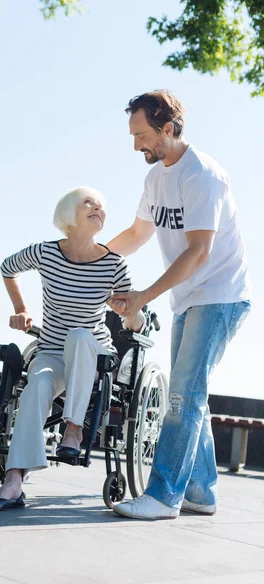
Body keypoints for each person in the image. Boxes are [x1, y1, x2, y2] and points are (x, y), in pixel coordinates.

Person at [107, 90, 251, 520]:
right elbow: (137, 233)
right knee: (189, 396)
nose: (136, 145)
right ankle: (201, 492)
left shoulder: (202, 175)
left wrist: (143, 296)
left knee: (183, 397)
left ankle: (163, 495)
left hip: (220, 296)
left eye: (142, 135)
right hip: (188, 297)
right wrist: (94, 257)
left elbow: (198, 252)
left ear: (167, 128)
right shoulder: (156, 178)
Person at [0, 187, 145, 511]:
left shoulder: (114, 264)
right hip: (52, 352)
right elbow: (7, 267)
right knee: (37, 384)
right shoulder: (46, 253)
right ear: (69, 213)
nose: (98, 207)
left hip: (93, 355)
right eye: (89, 202)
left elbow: (135, 318)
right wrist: (22, 309)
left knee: (79, 337)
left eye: (102, 205)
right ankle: (14, 481)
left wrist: (130, 311)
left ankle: (73, 430)